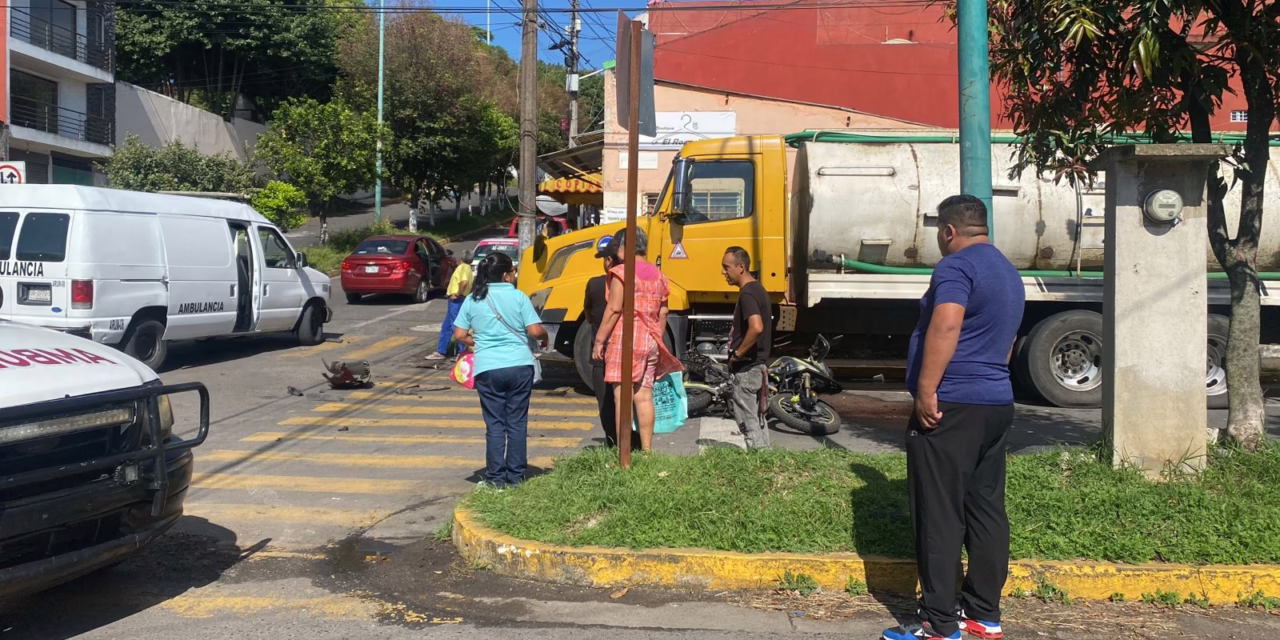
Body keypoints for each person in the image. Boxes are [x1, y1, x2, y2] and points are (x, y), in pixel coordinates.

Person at [882, 195, 1025, 640]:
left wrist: (927, 391)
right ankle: (984, 615)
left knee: (938, 512)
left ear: (948, 231)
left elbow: (946, 325)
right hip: (995, 402)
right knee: (985, 508)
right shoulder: (1007, 270)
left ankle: (939, 623)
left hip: (952, 405)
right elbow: (1007, 339)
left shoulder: (955, 267)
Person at [452, 253, 549, 488]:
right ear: (506, 275)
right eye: (513, 272)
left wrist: (479, 343)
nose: (514, 275)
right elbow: (535, 331)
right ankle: (516, 476)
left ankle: (495, 478)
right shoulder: (518, 296)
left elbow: (459, 335)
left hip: (488, 368)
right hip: (519, 366)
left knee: (495, 424)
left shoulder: (473, 299)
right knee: (517, 422)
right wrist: (544, 337)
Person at [592, 227, 681, 452]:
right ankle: (647, 451)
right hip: (650, 340)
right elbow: (663, 313)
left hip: (625, 340)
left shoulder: (622, 272)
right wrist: (656, 337)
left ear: (624, 247)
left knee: (622, 398)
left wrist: (599, 340)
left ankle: (623, 453)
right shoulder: (660, 275)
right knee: (644, 397)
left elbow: (614, 309)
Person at [584, 240, 635, 448]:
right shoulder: (637, 282)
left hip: (604, 354)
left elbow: (588, 315)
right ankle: (634, 444)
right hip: (631, 351)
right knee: (634, 398)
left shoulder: (595, 285)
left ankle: (614, 444)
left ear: (608, 260)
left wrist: (599, 339)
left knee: (606, 402)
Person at [721, 246, 772, 450]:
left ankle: (757, 459)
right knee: (759, 419)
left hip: (747, 368)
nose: (723, 272)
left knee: (748, 421)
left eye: (726, 267)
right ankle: (766, 458)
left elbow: (756, 327)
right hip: (758, 367)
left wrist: (737, 354)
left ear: (741, 267)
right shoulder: (758, 289)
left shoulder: (747, 294)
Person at [427, 253, 473, 361]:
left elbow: (464, 282)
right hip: (457, 300)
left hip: (457, 300)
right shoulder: (468, 269)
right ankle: (441, 351)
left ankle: (462, 353)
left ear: (461, 258)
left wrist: (458, 294)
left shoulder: (463, 267)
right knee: (446, 326)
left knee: (456, 326)